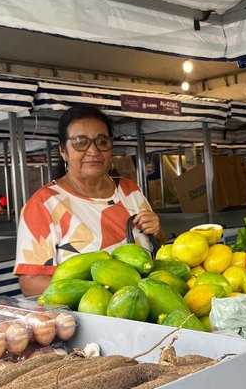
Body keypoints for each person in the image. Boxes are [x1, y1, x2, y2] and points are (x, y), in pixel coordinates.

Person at [14, 105, 164, 296]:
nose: (93, 150)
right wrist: (104, 290)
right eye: (80, 142)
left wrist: (157, 230)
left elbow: (156, 244)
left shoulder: (130, 191)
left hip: (147, 312)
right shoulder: (43, 205)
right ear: (63, 151)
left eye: (102, 141)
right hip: (86, 321)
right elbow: (31, 283)